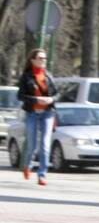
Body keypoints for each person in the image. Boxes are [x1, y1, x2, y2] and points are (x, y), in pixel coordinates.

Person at [17, 48, 57, 187]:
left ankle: (42, 175)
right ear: (32, 60)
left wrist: (51, 99)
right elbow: (20, 96)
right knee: (32, 145)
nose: (43, 61)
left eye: (45, 58)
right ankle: (27, 166)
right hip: (32, 113)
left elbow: (57, 94)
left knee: (45, 145)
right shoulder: (26, 76)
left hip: (48, 113)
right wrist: (36, 100)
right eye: (40, 58)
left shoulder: (48, 76)